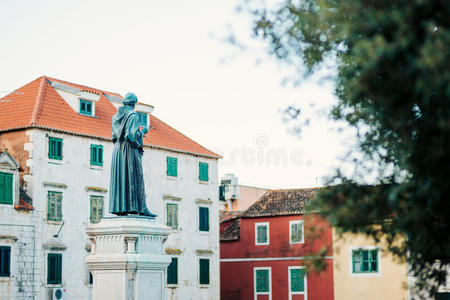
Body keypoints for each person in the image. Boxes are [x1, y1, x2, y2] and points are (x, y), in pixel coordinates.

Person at [109, 92, 156, 217]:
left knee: (122, 177)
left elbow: (115, 137)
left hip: (118, 150)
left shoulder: (115, 116)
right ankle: (139, 208)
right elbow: (131, 136)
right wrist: (143, 132)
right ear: (134, 104)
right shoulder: (133, 115)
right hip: (129, 150)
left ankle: (122, 208)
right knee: (134, 177)